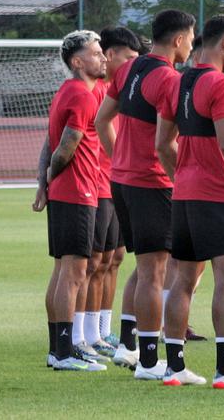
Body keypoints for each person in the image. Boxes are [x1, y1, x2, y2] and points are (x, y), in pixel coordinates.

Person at [154, 14, 224, 388]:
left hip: (184, 195)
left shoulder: (178, 81)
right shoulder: (223, 84)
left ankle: (174, 367)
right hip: (217, 196)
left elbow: (161, 144)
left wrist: (184, 176)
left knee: (182, 281)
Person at [95, 9, 196, 376]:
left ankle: (130, 347)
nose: (190, 45)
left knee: (144, 269)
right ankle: (151, 361)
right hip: (152, 183)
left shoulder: (128, 70)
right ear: (179, 39)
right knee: (156, 272)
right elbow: (164, 145)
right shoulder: (169, 79)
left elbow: (101, 120)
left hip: (122, 181)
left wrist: (119, 158)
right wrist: (181, 180)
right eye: (190, 38)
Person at [36, 30, 109, 371]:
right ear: (78, 62)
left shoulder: (66, 91)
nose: (103, 58)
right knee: (74, 273)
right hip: (78, 192)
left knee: (62, 271)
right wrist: (52, 177)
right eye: (96, 54)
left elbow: (49, 144)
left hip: (67, 192)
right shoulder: (82, 95)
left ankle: (59, 349)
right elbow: (65, 147)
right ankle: (64, 352)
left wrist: (45, 183)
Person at [91, 27, 143, 353]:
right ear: (111, 56)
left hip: (117, 184)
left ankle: (104, 329)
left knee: (116, 258)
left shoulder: (126, 88)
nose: (134, 65)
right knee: (94, 262)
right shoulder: (97, 91)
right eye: (130, 58)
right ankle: (86, 333)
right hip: (99, 184)